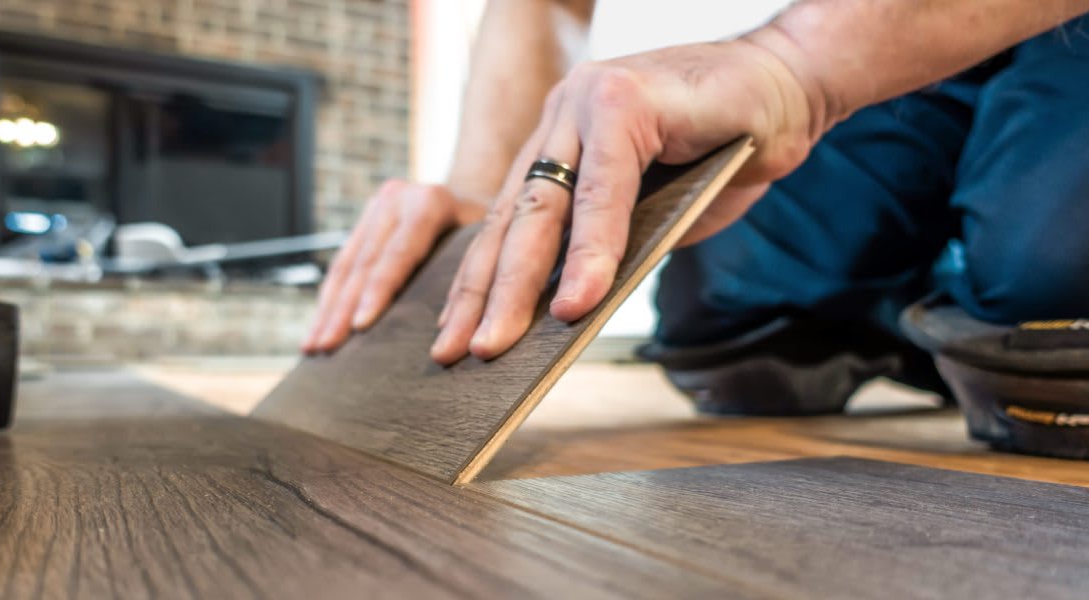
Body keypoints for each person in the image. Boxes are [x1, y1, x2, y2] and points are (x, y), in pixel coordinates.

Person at [302, 0, 1089, 457]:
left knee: (1044, 294)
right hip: (909, 37)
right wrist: (484, 195)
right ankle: (929, 291)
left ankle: (978, 271)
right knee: (725, 304)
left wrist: (796, 67)